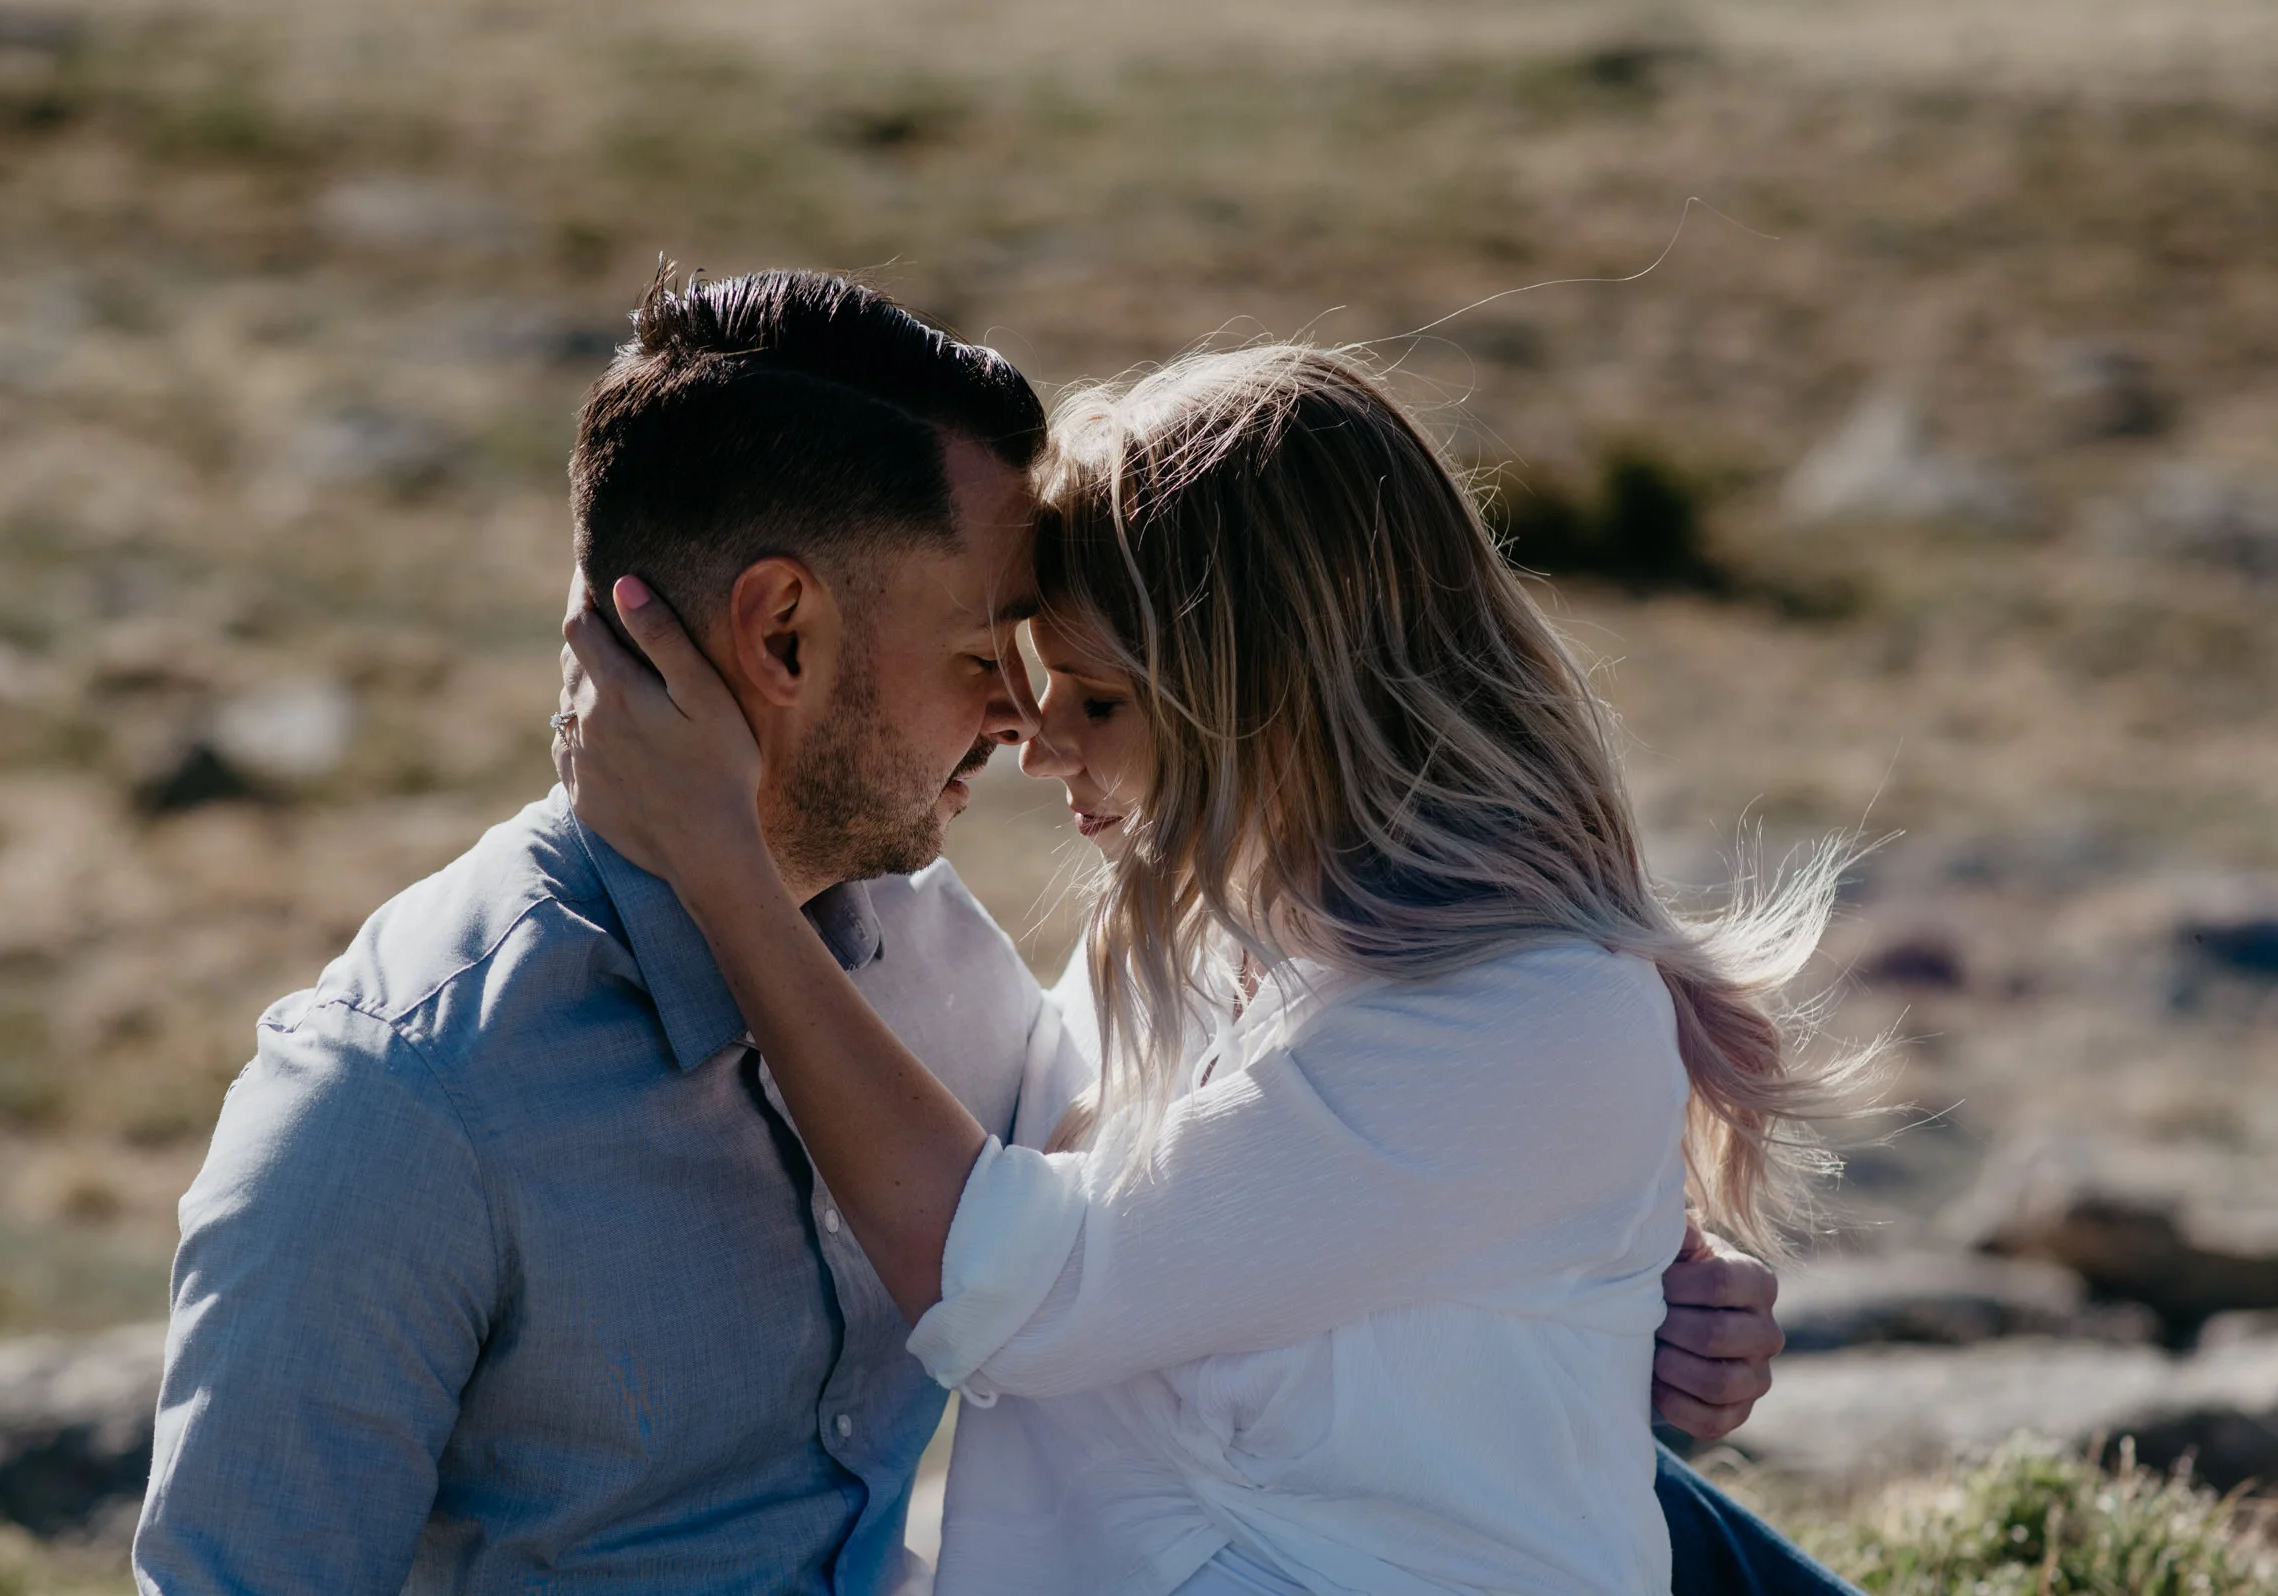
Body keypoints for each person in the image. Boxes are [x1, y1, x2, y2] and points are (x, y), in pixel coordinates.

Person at [134, 269, 1793, 1596]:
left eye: (1075, 681)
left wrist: (1614, 1278)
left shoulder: (937, 973)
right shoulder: (400, 1108)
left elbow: (1147, 1230)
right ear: (781, 633)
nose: (1022, 720)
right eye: (988, 652)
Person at [555, 342, 1875, 1593]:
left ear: (1281, 696)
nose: (1038, 744)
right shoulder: (1194, 936)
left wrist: (722, 868)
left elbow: (1013, 1285)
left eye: (1101, 701)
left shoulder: (1529, 1018)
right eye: (1030, 680)